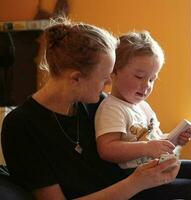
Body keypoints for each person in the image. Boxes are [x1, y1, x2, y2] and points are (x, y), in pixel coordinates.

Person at [1, 17, 181, 200]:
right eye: (104, 77)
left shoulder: (95, 103)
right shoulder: (21, 126)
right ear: (76, 78)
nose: (111, 82)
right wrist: (136, 182)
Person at [95, 31, 191, 199]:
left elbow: (156, 140)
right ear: (113, 72)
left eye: (152, 79)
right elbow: (106, 149)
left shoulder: (143, 107)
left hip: (157, 166)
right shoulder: (112, 108)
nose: (146, 85)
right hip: (133, 176)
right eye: (139, 76)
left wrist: (174, 139)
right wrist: (146, 147)